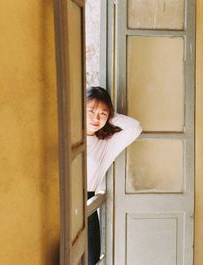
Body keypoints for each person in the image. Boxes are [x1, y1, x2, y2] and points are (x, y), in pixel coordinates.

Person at [86, 86, 142, 264]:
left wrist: (108, 112)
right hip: (59, 206)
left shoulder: (105, 144)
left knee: (91, 258)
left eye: (103, 113)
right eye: (90, 111)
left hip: (86, 204)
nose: (96, 118)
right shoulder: (66, 136)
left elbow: (135, 127)